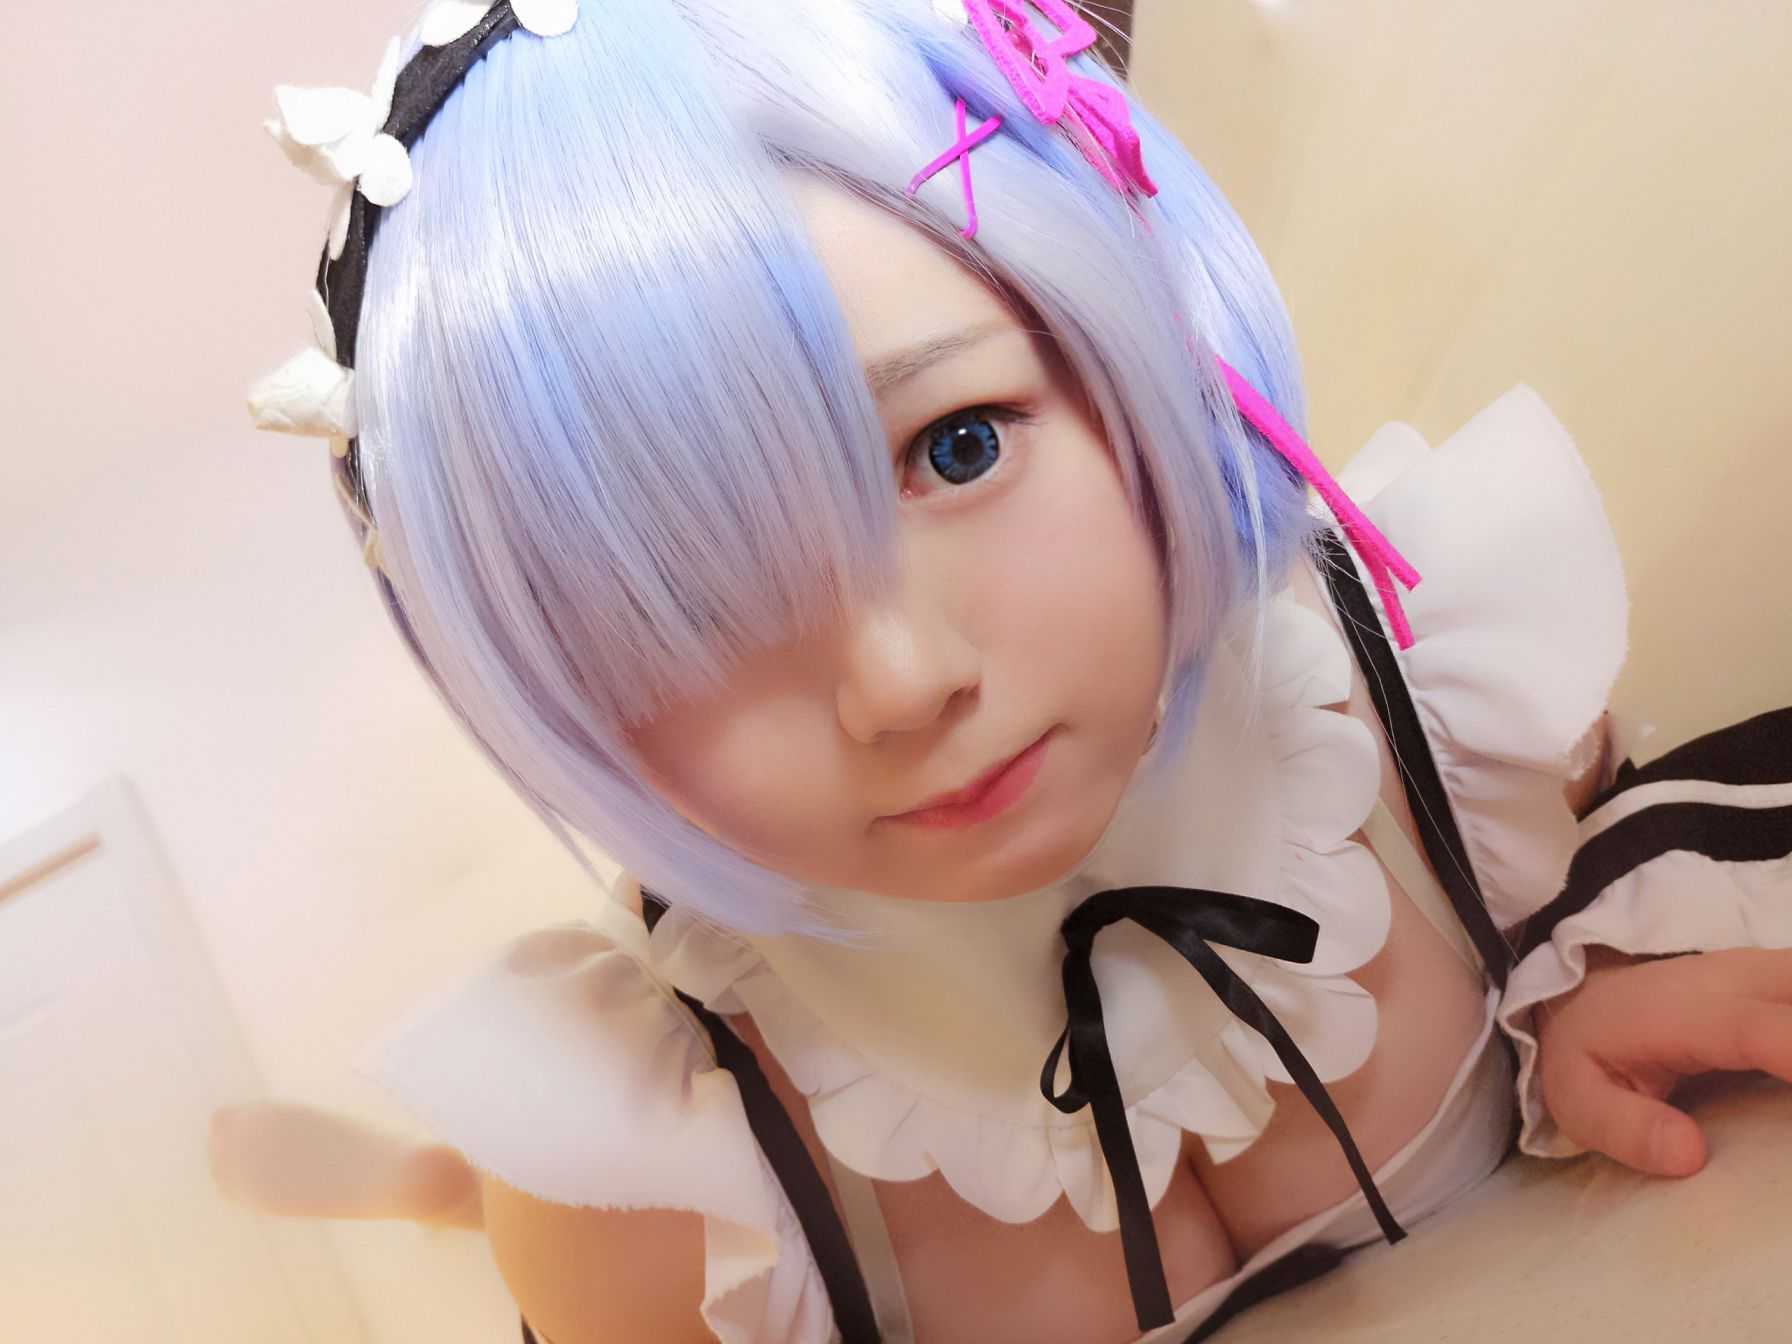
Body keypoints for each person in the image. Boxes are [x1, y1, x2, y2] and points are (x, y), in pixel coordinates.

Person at [240, 2, 1792, 1341]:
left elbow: (1616, 899)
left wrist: (1586, 993)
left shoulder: (1439, 697)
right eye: (685, 605)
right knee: (478, 1190)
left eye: (958, 446)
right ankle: (421, 1186)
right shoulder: (655, 1180)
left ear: (1116, 320)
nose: (901, 683)